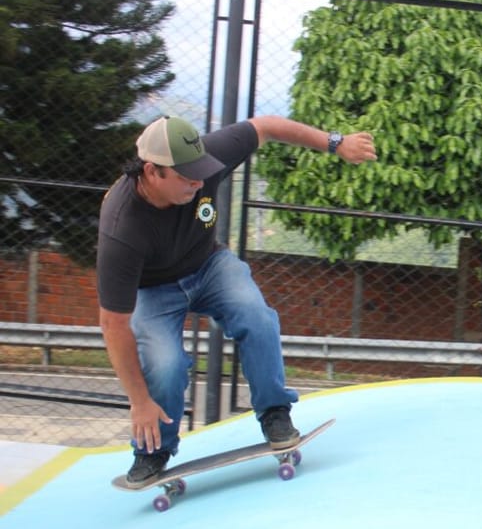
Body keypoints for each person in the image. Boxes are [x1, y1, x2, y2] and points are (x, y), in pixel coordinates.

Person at [97, 115, 377, 486]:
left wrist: (335, 142)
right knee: (165, 366)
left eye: (200, 173)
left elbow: (266, 127)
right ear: (152, 171)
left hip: (208, 266)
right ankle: (153, 450)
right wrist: (139, 401)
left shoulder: (208, 156)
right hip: (154, 289)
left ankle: (275, 413)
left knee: (256, 317)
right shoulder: (122, 227)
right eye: (187, 177)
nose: (199, 183)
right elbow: (113, 323)